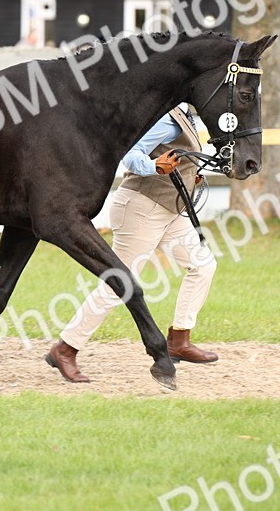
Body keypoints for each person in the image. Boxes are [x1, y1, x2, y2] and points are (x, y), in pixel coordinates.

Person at [47, 106, 219, 384]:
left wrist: (190, 175)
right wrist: (154, 167)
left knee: (203, 265)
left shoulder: (183, 114)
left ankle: (179, 339)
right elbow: (132, 153)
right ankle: (65, 349)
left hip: (168, 208)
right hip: (142, 207)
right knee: (119, 284)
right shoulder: (165, 116)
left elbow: (174, 153)